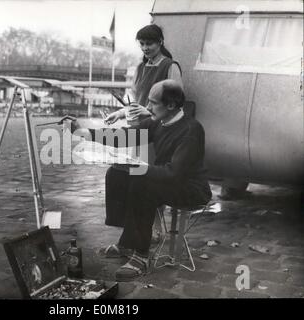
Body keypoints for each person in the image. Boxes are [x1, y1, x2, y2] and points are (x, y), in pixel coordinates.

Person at [70, 80, 212, 281]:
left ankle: (141, 255)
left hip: (191, 188)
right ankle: (128, 241)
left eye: (153, 103)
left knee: (143, 181)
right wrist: (87, 133)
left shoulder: (191, 130)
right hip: (169, 180)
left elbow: (174, 173)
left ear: (171, 105)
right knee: (116, 173)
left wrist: (140, 168)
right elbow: (126, 135)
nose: (147, 107)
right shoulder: (158, 121)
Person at [105, 24, 183, 125]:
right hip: (138, 126)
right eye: (142, 44)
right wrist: (119, 114)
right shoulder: (140, 68)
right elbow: (134, 99)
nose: (145, 48)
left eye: (149, 44)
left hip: (159, 127)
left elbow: (177, 102)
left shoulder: (170, 66)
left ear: (160, 42)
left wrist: (150, 112)